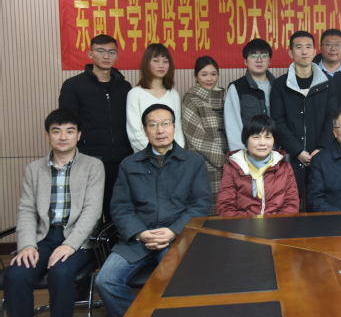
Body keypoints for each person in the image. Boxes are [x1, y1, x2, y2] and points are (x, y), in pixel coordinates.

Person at [96, 104, 211, 317]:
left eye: (165, 124)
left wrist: (173, 231)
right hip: (138, 240)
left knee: (175, 281)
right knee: (106, 280)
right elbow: (120, 206)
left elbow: (200, 204)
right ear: (144, 130)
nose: (160, 130)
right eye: (153, 125)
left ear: (174, 127)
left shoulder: (193, 162)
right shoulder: (129, 164)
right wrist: (141, 233)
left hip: (177, 238)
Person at [4, 109, 104, 317]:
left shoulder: (93, 166)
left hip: (79, 239)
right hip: (43, 237)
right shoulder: (33, 169)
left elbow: (92, 211)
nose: (63, 137)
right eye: (56, 131)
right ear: (47, 136)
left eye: (70, 131)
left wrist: (70, 244)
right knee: (16, 275)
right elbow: (27, 210)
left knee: (60, 273)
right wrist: (27, 245)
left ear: (79, 135)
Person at [59, 34, 132, 222]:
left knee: (117, 215)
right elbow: (67, 126)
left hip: (120, 161)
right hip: (88, 162)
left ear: (117, 55)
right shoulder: (73, 86)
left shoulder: (124, 87)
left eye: (111, 52)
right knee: (89, 215)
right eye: (100, 51)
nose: (106, 56)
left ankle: (114, 243)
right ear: (90, 53)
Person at [270, 30, 337, 205]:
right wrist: (298, 151)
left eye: (308, 47)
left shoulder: (327, 83)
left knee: (321, 202)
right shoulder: (280, 84)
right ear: (291, 52)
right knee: (290, 203)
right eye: (299, 47)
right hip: (291, 155)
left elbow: (332, 117)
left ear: (315, 51)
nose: (304, 51)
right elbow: (277, 121)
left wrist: (321, 149)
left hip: (321, 154)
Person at [217, 114, 299, 216]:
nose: (262, 143)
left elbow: (291, 203)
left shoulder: (284, 167)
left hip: (277, 223)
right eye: (256, 137)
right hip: (243, 224)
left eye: (268, 137)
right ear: (246, 140)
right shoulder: (232, 167)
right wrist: (244, 225)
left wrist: (278, 223)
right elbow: (225, 207)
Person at [182, 56, 228, 216]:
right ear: (196, 76)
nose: (209, 79)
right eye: (204, 74)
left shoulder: (223, 99)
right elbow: (196, 136)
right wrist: (223, 161)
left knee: (226, 207)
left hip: (227, 163)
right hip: (204, 162)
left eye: (213, 74)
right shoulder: (191, 99)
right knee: (206, 209)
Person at [126, 43, 184, 153]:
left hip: (173, 157)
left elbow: (178, 129)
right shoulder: (135, 94)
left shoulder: (173, 94)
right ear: (146, 63)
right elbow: (134, 133)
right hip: (145, 156)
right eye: (156, 61)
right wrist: (158, 153)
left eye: (165, 61)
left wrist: (176, 153)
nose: (161, 65)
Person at [224, 38, 276, 152]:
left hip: (278, 154)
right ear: (245, 61)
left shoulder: (279, 86)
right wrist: (240, 156)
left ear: (269, 61)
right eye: (253, 55)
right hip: (249, 155)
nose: (259, 60)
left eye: (264, 55)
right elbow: (233, 126)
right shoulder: (237, 88)